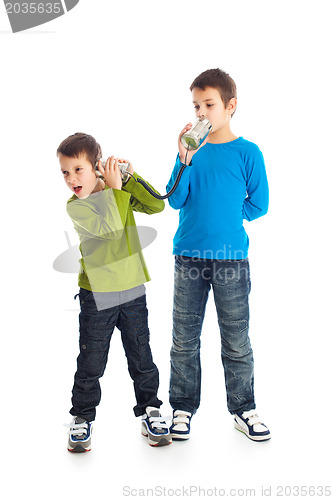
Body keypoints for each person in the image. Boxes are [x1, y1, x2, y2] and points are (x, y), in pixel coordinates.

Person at [166, 69, 271, 442]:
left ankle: (243, 409)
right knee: (184, 338)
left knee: (236, 339)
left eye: (209, 105)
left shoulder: (248, 153)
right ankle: (181, 407)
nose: (201, 113)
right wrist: (183, 158)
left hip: (231, 260)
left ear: (230, 106)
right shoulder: (191, 153)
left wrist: (229, 214)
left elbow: (259, 204)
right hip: (189, 258)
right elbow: (175, 199)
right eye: (196, 106)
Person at [57, 132, 171, 451]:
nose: (71, 179)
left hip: (132, 287)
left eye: (77, 169)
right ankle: (82, 417)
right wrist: (117, 191)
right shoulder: (76, 206)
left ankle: (151, 409)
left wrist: (130, 179)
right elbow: (109, 230)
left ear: (96, 166)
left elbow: (155, 206)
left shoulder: (118, 190)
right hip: (98, 294)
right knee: (92, 361)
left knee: (141, 355)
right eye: (65, 172)